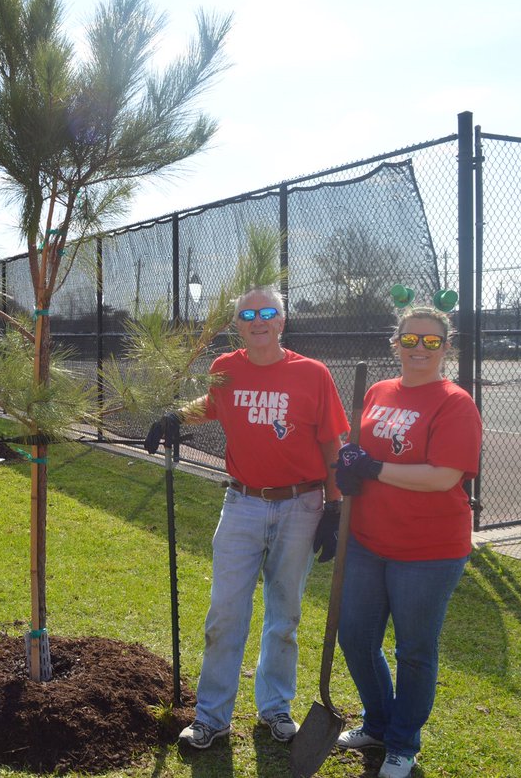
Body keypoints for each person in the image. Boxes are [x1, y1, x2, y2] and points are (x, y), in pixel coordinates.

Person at [146, 286, 349, 749]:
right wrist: (173, 416)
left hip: (302, 504)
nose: (258, 321)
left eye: (268, 313)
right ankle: (211, 718)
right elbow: (212, 404)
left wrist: (334, 507)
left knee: (286, 613)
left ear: (282, 320)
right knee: (225, 612)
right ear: (237, 324)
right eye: (248, 314)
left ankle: (276, 708)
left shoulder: (312, 374)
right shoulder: (226, 368)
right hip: (242, 503)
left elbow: (331, 444)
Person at [333, 306, 482, 778]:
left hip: (429, 551)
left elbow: (443, 477)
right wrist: (346, 481)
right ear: (395, 342)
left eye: (432, 342)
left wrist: (373, 468)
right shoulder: (378, 391)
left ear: (446, 347)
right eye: (411, 339)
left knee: (414, 651)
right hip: (366, 539)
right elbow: (359, 453)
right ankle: (377, 724)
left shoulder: (455, 402)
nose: (420, 348)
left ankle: (402, 743)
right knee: (355, 637)